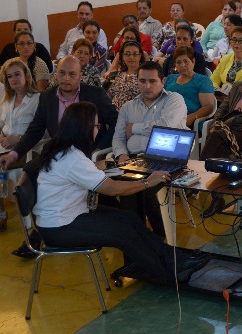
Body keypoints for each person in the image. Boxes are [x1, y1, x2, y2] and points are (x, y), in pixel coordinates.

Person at [29, 101, 207, 283]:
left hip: (70, 213)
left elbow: (78, 175)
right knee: (125, 235)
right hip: (60, 226)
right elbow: (112, 189)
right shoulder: (72, 158)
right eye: (96, 126)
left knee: (131, 219)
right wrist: (148, 182)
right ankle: (170, 273)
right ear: (84, 127)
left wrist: (95, 169)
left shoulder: (63, 150)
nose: (98, 130)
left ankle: (176, 260)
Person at [2, 56, 118, 258]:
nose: (66, 78)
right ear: (55, 74)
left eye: (72, 74)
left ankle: (96, 222)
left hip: (87, 153)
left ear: (80, 76)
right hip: (59, 154)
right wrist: (14, 153)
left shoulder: (95, 94)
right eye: (62, 73)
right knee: (31, 169)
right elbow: (35, 130)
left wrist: (98, 148)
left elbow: (115, 123)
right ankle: (39, 233)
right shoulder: (47, 97)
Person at [113, 61, 188, 237]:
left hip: (167, 159)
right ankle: (135, 235)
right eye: (142, 81)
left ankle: (159, 237)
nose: (147, 86)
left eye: (152, 81)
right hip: (134, 159)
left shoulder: (174, 99)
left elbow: (166, 126)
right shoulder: (128, 107)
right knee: (122, 184)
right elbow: (118, 137)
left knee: (145, 189)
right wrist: (122, 155)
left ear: (163, 81)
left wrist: (134, 128)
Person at [0, 58, 40, 231]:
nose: (14, 79)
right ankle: (1, 211)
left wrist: (18, 139)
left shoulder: (38, 99)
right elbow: (1, 124)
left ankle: (1, 214)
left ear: (26, 75)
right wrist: (2, 136)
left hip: (27, 149)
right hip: (4, 147)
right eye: (10, 76)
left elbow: (44, 132)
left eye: (17, 74)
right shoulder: (7, 100)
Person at [164, 47, 215, 130]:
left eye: (186, 61)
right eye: (178, 62)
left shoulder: (203, 81)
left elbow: (208, 107)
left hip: (190, 121)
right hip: (167, 117)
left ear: (193, 62)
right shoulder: (170, 78)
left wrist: (190, 118)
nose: (182, 65)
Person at [105, 41, 145, 110]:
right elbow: (106, 97)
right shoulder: (116, 75)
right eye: (127, 54)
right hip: (112, 113)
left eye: (135, 54)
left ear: (140, 56)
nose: (131, 57)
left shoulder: (145, 77)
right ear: (123, 56)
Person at [210, 27, 242, 94]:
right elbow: (213, 80)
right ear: (230, 42)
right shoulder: (225, 58)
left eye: (241, 40)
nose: (236, 43)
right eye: (234, 39)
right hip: (223, 96)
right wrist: (217, 89)